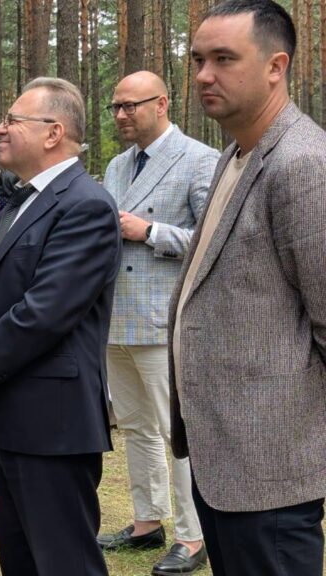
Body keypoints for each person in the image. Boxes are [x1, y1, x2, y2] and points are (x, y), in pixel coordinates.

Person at [0, 77, 121, 576]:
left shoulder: (85, 205)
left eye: (12, 120)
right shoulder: (21, 200)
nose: (0, 129)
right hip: (11, 414)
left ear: (53, 132)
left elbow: (43, 314)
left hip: (54, 422)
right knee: (22, 562)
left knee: (64, 563)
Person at [171, 2, 326, 574]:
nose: (204, 74)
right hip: (223, 461)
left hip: (272, 467)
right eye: (198, 60)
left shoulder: (303, 164)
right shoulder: (237, 154)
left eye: (224, 59)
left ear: (275, 66)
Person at [95, 70, 217, 576]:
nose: (121, 115)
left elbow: (215, 238)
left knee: (177, 433)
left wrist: (151, 231)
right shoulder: (116, 165)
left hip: (164, 319)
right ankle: (149, 521)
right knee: (136, 427)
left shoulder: (200, 160)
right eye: (116, 107)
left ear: (162, 103)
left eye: (131, 106)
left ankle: (194, 536)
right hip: (115, 319)